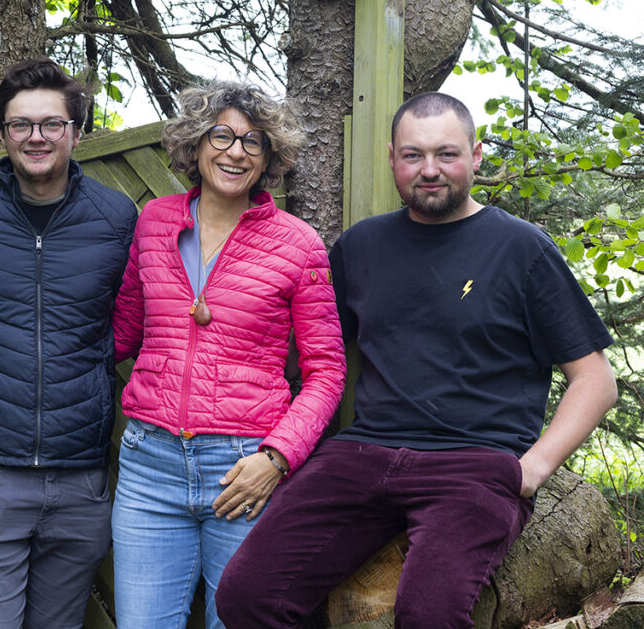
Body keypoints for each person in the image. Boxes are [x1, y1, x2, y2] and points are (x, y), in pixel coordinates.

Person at [216, 92, 619, 628]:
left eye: (446, 154)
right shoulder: (362, 247)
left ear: (475, 156)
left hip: (473, 465)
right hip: (363, 453)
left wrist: (530, 470)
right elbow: (310, 354)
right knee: (248, 595)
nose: (429, 171)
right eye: (413, 156)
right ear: (392, 159)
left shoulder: (522, 249)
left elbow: (594, 380)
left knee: (428, 615)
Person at [109, 81, 347, 629]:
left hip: (243, 471)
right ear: (195, 145)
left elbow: (327, 372)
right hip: (149, 466)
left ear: (268, 159)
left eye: (253, 142)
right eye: (221, 135)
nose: (236, 152)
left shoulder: (298, 244)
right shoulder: (155, 222)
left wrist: (276, 459)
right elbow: (123, 330)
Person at [0, 57, 138, 629]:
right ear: (3, 133)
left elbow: (131, 323)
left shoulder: (115, 215)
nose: (36, 137)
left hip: (81, 479)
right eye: (20, 124)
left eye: (52, 124)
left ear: (76, 131)